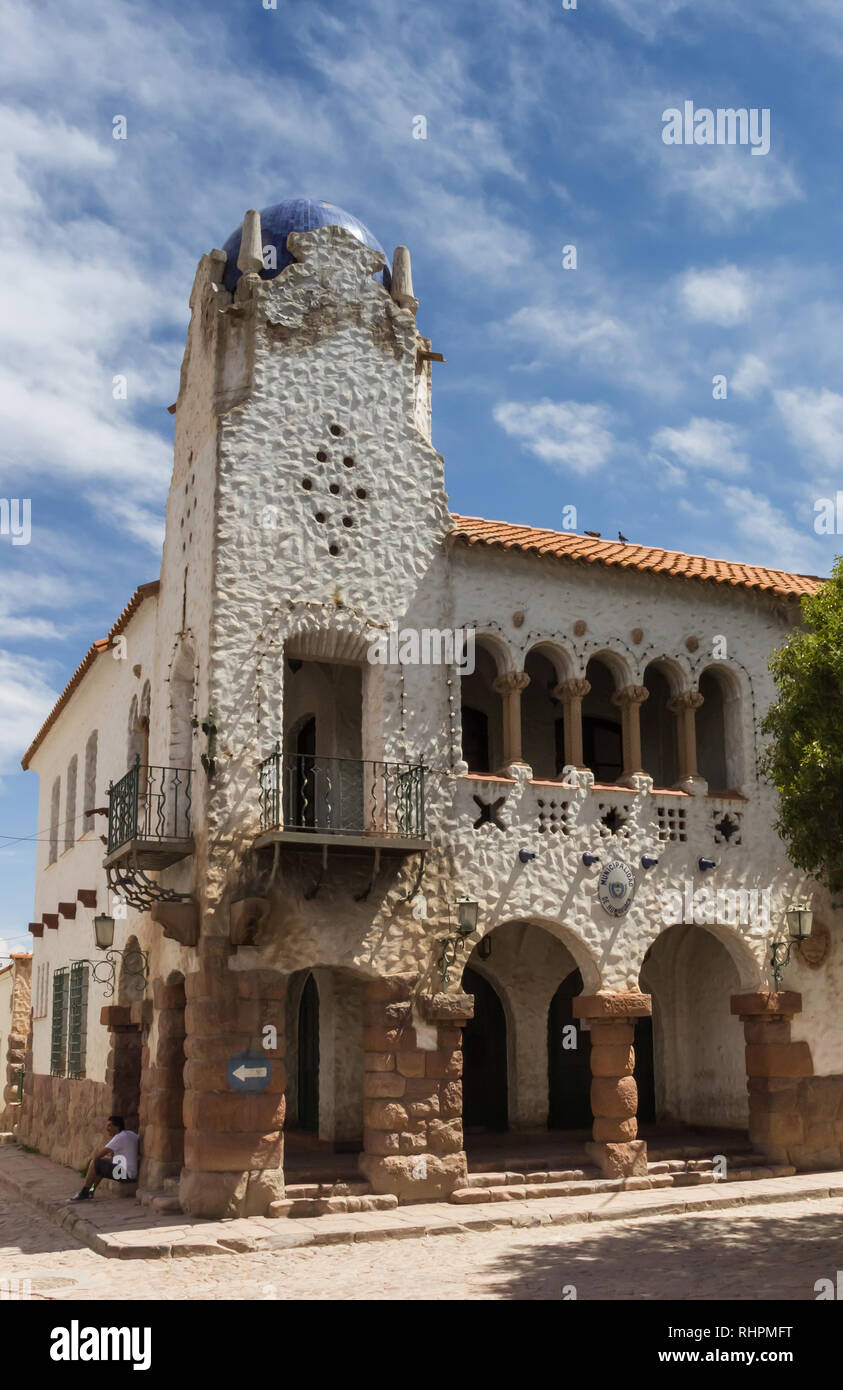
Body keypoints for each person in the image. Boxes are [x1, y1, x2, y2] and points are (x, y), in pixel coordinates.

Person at [70, 1115, 139, 1201]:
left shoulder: (119, 1137)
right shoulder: (131, 1134)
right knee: (102, 1168)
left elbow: (99, 1155)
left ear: (117, 1127)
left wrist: (88, 1164)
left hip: (125, 1174)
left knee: (96, 1162)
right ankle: (91, 1191)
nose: (107, 1128)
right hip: (131, 1172)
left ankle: (84, 1192)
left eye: (110, 1125)